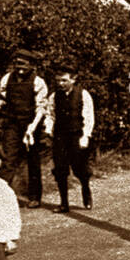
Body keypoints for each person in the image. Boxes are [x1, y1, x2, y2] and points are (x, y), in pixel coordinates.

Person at [0, 49, 51, 208]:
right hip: (12, 123)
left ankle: (34, 197)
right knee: (8, 158)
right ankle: (0, 196)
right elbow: (2, 99)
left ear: (31, 65)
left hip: (31, 124)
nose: (20, 68)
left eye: (24, 64)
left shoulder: (38, 83)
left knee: (32, 160)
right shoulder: (6, 79)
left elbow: (41, 108)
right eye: (17, 64)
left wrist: (32, 128)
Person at [49, 66, 95, 212]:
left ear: (73, 79)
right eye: (58, 81)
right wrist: (49, 130)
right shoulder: (54, 96)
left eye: (64, 80)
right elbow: (50, 115)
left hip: (77, 135)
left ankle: (86, 189)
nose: (60, 84)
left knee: (79, 168)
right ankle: (64, 203)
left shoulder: (83, 94)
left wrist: (85, 136)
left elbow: (89, 117)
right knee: (60, 169)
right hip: (60, 136)